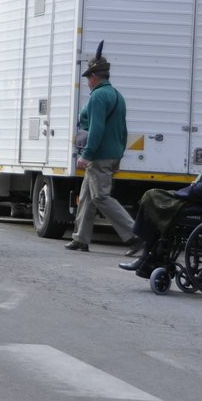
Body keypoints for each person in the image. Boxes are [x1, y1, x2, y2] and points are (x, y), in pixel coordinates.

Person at [65, 46, 139, 253]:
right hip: (112, 153)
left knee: (100, 197)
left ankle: (136, 234)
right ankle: (81, 237)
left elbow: (97, 128)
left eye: (89, 78)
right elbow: (123, 130)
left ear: (95, 77)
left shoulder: (98, 97)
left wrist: (87, 154)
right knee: (87, 195)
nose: (88, 82)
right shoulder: (117, 95)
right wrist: (119, 152)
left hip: (100, 155)